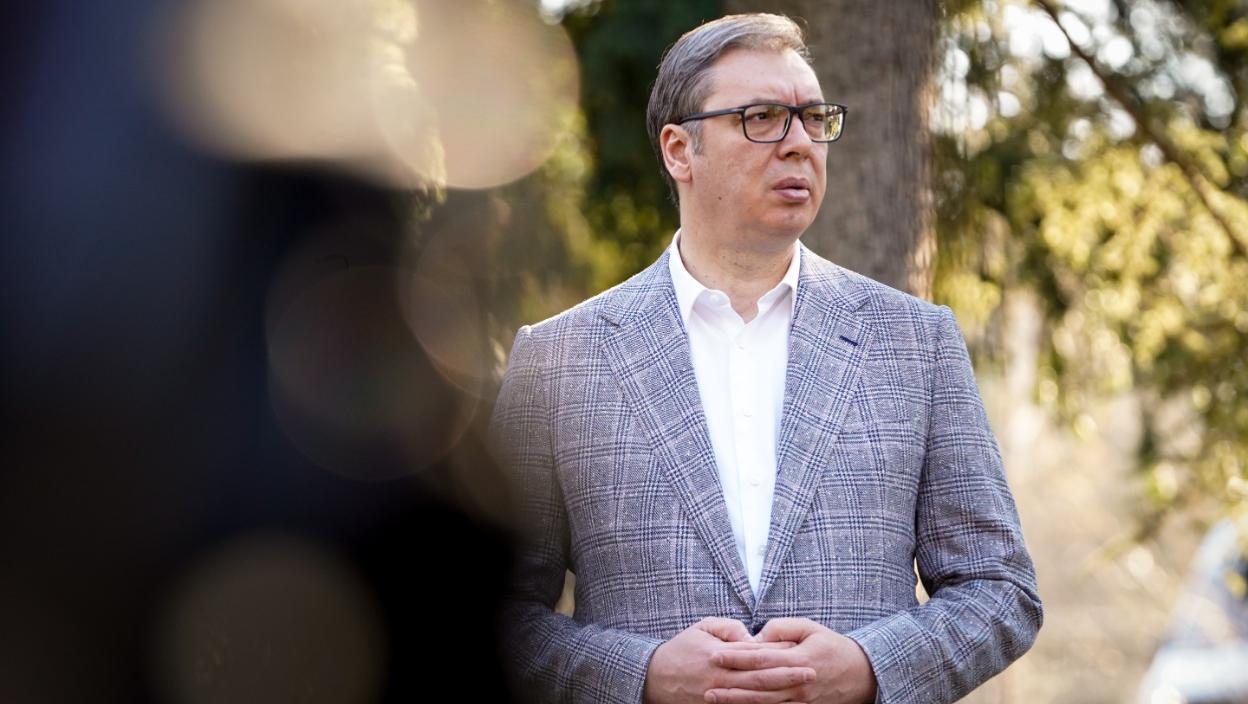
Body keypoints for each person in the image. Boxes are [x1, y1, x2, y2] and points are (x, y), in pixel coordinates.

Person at [490, 12, 1042, 704]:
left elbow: (1000, 588)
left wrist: (871, 668)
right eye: (762, 118)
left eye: (813, 119)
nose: (800, 144)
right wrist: (642, 675)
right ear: (679, 151)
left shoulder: (914, 342)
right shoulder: (558, 358)